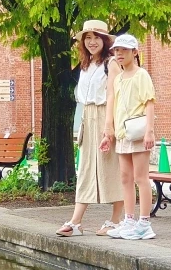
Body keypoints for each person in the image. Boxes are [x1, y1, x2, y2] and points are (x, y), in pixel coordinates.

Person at [56, 20, 124, 237]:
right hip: (87, 116)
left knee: (111, 167)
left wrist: (109, 127)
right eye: (88, 38)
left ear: (104, 40)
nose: (92, 42)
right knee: (85, 169)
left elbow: (113, 94)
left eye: (96, 37)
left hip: (106, 115)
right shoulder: (85, 64)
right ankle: (76, 222)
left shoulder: (111, 63)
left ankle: (116, 220)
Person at [100, 33, 157, 240]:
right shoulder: (118, 79)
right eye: (117, 50)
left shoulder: (141, 75)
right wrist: (109, 133)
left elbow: (149, 102)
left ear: (135, 52)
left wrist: (150, 131)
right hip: (124, 134)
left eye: (124, 50)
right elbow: (115, 107)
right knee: (125, 177)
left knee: (141, 178)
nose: (119, 53)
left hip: (139, 132)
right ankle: (130, 219)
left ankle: (144, 222)